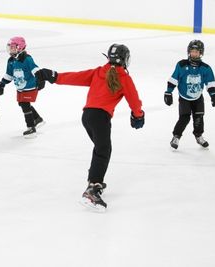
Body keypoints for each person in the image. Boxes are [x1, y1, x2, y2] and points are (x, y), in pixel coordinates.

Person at [35, 44, 145, 212]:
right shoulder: (124, 77)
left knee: (101, 149)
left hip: (87, 117)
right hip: (101, 118)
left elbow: (75, 77)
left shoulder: (99, 71)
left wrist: (54, 76)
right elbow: (134, 100)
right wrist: (138, 115)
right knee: (103, 150)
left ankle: (95, 179)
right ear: (125, 60)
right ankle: (92, 190)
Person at [164, 40, 215, 149]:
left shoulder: (206, 68)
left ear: (201, 53)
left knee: (199, 117)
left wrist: (214, 95)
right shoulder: (181, 65)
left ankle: (198, 136)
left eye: (197, 52)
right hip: (184, 97)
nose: (194, 54)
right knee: (184, 118)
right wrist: (168, 92)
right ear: (189, 52)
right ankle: (176, 136)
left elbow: (210, 83)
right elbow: (174, 79)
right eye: (192, 51)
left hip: (198, 97)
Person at [0, 36, 46, 138]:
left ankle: (31, 127)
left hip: (30, 86)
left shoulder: (27, 59)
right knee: (22, 104)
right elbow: (9, 75)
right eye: (10, 47)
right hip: (20, 87)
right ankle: (37, 119)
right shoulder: (11, 60)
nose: (10, 49)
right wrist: (2, 84)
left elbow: (35, 69)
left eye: (13, 47)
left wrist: (41, 78)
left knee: (25, 105)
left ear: (20, 47)